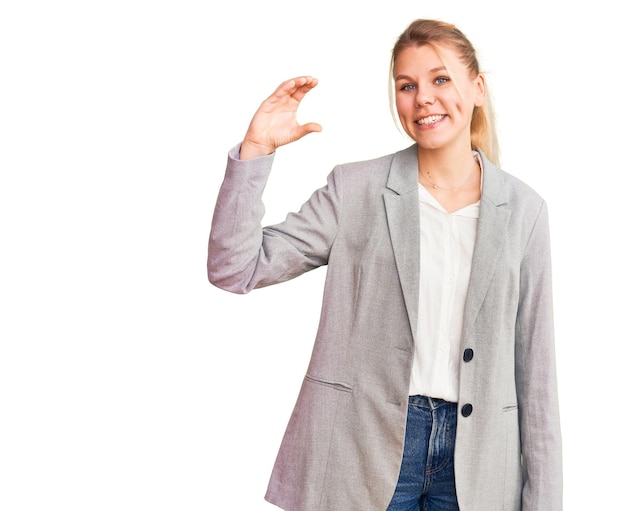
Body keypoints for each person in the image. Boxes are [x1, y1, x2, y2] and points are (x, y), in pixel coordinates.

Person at [208, 18, 562, 511]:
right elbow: (236, 267)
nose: (424, 98)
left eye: (440, 79)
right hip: (362, 452)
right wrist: (256, 152)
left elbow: (536, 375)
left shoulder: (525, 211)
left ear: (476, 88)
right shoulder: (356, 190)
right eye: (406, 85)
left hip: (479, 469)